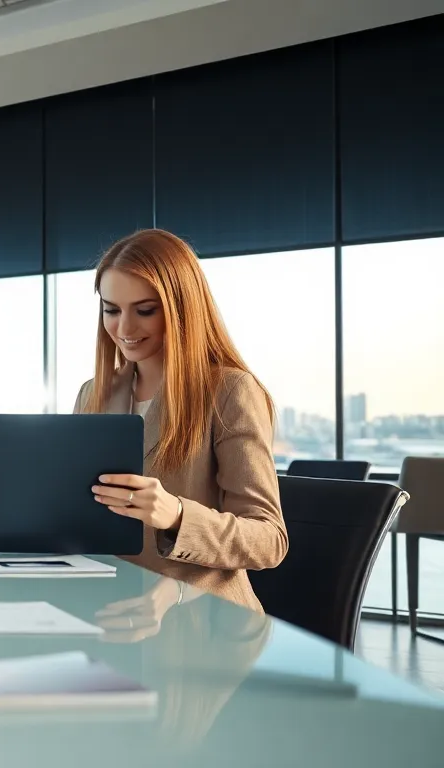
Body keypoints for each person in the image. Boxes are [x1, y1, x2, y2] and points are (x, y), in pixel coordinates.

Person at [74, 229, 287, 611]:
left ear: (181, 308)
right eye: (111, 310)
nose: (124, 329)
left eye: (145, 310)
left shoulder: (230, 391)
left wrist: (176, 514)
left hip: (202, 625)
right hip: (107, 612)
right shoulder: (94, 394)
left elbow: (269, 539)